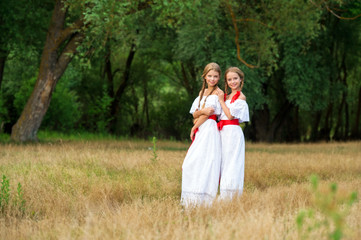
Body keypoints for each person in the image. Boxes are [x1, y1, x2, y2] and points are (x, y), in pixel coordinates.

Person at [181, 62, 223, 208]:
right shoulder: (201, 94)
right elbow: (195, 114)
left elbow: (208, 114)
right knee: (190, 163)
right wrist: (202, 112)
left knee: (206, 163)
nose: (212, 79)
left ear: (219, 77)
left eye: (215, 76)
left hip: (209, 130)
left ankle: (204, 200)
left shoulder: (218, 94)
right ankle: (190, 197)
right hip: (201, 129)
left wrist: (194, 127)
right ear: (204, 77)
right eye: (210, 76)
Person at [216, 67, 249, 200]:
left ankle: (230, 195)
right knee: (222, 161)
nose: (232, 82)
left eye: (235, 78)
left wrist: (221, 101)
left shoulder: (240, 97)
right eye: (229, 79)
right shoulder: (226, 96)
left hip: (233, 132)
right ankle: (222, 192)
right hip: (222, 132)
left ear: (240, 79)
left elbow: (230, 115)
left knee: (232, 162)